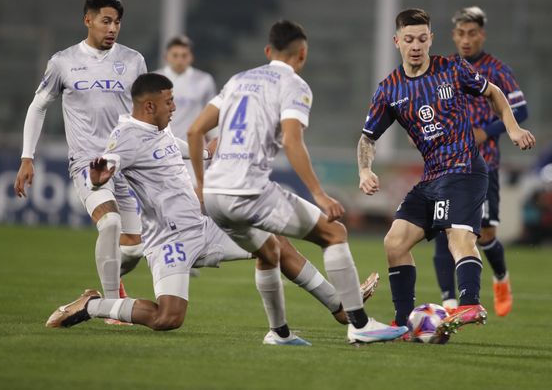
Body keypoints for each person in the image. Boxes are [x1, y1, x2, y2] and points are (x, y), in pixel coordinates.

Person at [45, 73, 377, 331]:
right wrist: (101, 175)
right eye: (169, 102)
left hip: (204, 226)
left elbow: (190, 150)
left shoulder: (158, 131)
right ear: (149, 106)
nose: (174, 107)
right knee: (168, 318)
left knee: (274, 244)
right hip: (169, 240)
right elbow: (110, 160)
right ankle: (91, 304)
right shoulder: (127, 137)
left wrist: (219, 145)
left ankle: (340, 308)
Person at [188, 20, 408, 345]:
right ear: (302, 54)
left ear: (267, 51)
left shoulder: (238, 80)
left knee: (268, 251)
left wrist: (201, 185)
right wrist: (319, 194)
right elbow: (293, 141)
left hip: (216, 196)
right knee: (334, 233)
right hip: (249, 191)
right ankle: (359, 324)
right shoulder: (295, 85)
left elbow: (195, 131)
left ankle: (279, 333)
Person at [357, 8, 535, 337]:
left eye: (422, 39)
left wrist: (510, 129)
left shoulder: (451, 69)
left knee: (459, 234)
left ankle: (469, 303)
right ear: (397, 41)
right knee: (394, 243)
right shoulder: (389, 90)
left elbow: (494, 92)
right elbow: (367, 138)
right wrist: (365, 169)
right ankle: (402, 322)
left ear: (431, 40)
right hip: (432, 178)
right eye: (409, 39)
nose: (416, 46)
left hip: (466, 169)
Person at [14, 0, 145, 307]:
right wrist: (27, 156)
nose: (112, 28)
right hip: (88, 162)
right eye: (106, 21)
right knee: (110, 223)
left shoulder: (133, 60)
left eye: (117, 22)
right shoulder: (63, 62)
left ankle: (104, 288)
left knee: (133, 248)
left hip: (125, 164)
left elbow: (145, 113)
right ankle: (112, 306)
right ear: (88, 20)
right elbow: (38, 105)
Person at [432, 6, 528, 317]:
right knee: (445, 230)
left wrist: (487, 132)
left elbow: (520, 112)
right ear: (453, 36)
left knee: (485, 236)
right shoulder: (444, 69)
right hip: (447, 165)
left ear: (482, 35)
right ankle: (448, 305)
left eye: (472, 33)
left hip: (484, 166)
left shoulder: (497, 71)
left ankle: (501, 277)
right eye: (461, 33)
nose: (466, 39)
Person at [155, 35, 217, 141]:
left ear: (191, 57)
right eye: (175, 55)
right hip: (162, 145)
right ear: (166, 56)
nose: (179, 60)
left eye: (184, 55)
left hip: (194, 146)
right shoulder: (154, 80)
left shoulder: (204, 80)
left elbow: (211, 115)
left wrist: (215, 140)